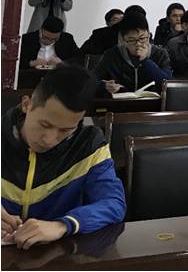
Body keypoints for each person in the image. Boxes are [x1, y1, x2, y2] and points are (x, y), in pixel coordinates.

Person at [2, 66, 126, 247]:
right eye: (45, 125)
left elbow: (113, 203)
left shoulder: (89, 144)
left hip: (56, 253)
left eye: (65, 130)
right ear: (26, 105)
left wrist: (64, 225)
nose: (50, 140)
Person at [91, 14, 172, 94]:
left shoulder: (160, 53)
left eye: (142, 38)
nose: (138, 44)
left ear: (148, 34)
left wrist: (145, 61)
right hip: (121, 101)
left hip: (153, 101)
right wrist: (104, 86)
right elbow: (90, 82)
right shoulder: (112, 55)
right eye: (131, 40)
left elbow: (167, 85)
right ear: (123, 39)